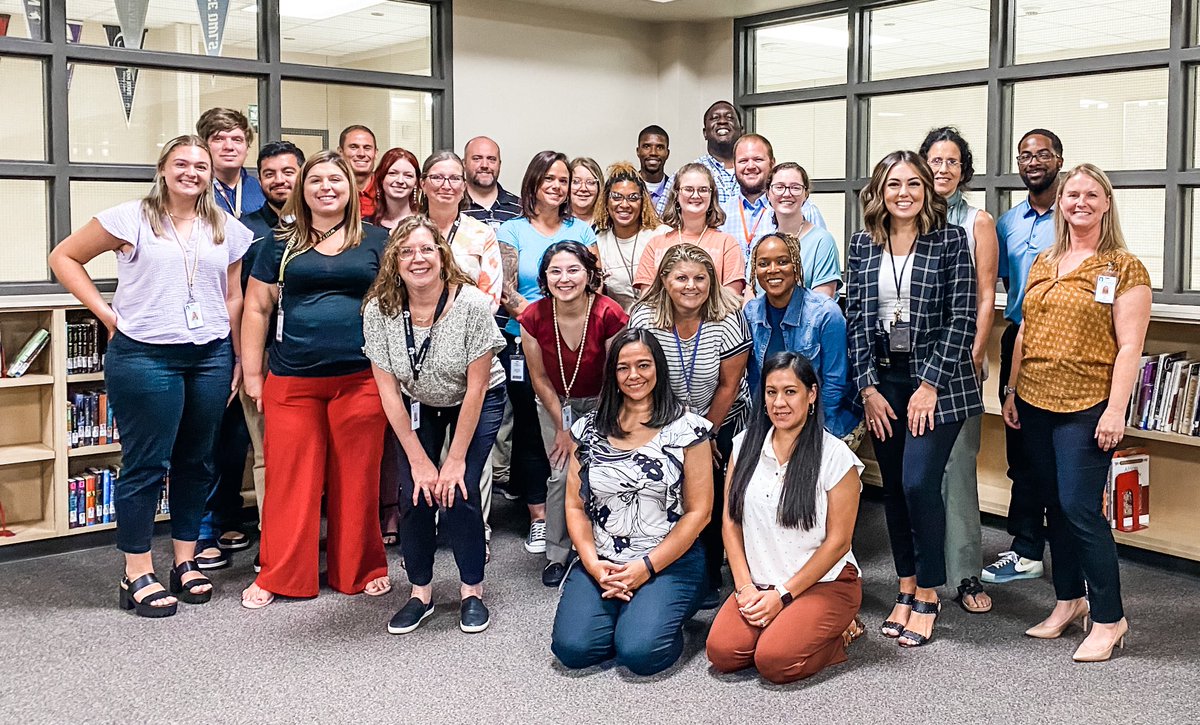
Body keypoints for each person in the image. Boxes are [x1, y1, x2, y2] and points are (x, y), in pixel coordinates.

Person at [48, 135, 252, 617]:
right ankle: (136, 570)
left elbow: (233, 297)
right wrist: (105, 312)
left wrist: (240, 357)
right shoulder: (129, 217)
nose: (192, 172)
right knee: (145, 464)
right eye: (181, 163)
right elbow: (64, 257)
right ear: (162, 169)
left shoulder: (227, 227)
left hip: (210, 357)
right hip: (145, 356)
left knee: (196, 462)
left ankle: (185, 560)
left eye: (201, 165)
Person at [1002, 164, 1150, 663]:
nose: (1079, 202)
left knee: (1081, 509)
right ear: (1060, 203)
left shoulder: (1124, 267)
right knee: (1052, 507)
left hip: (1087, 406)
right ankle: (1069, 600)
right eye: (1071, 194)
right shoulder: (1045, 259)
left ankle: (1109, 617)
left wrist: (1115, 410)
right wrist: (1012, 389)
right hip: (1035, 400)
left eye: (1090, 194)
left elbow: (1129, 347)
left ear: (1106, 202)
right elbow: (1024, 331)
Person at [240, 151, 391, 609]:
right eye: (316, 180)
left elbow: (395, 306)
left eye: (336, 180)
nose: (326, 187)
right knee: (290, 481)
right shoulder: (277, 242)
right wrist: (251, 374)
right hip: (292, 379)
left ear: (351, 187)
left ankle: (361, 567)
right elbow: (256, 308)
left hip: (361, 378)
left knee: (357, 478)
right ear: (302, 190)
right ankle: (280, 573)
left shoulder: (379, 241)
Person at [846, 150, 981, 647]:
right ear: (879, 191)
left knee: (919, 482)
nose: (904, 194)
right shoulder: (863, 245)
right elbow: (856, 322)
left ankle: (929, 589)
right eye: (894, 184)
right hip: (883, 383)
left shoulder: (950, 241)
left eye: (914, 185)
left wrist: (928, 385)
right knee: (895, 491)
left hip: (938, 385)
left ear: (927, 191)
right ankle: (905, 585)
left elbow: (961, 318)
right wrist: (867, 388)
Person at [362, 216, 508, 635]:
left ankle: (472, 591)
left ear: (442, 256)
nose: (417, 258)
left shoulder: (472, 305)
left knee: (458, 490)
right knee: (416, 492)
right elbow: (388, 393)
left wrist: (455, 459)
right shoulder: (380, 309)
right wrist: (419, 460)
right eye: (406, 251)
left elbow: (478, 387)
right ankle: (420, 593)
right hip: (417, 403)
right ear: (394, 261)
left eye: (426, 249)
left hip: (474, 401)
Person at [550, 329, 713, 676]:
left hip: (668, 559)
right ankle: (631, 613)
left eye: (643, 365)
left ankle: (659, 611)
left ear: (659, 368)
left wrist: (646, 568)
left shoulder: (686, 428)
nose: (634, 375)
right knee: (573, 650)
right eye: (623, 368)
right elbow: (575, 507)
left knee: (641, 654)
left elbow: (700, 513)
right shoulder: (589, 429)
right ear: (612, 373)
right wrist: (593, 565)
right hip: (604, 559)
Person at [706, 352, 864, 684]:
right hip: (761, 580)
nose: (779, 402)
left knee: (775, 661)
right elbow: (730, 523)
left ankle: (840, 633)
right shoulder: (743, 445)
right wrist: (745, 587)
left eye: (790, 391)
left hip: (825, 583)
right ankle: (789, 627)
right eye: (771, 391)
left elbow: (839, 543)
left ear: (811, 394)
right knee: (723, 653)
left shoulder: (836, 457)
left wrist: (783, 596)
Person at [198, 141, 305, 569]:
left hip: (313, 359)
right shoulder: (244, 230)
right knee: (266, 454)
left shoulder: (326, 226)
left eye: (288, 171)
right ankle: (273, 538)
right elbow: (237, 300)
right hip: (259, 358)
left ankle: (313, 535)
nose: (280, 180)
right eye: (270, 174)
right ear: (258, 180)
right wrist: (246, 362)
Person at [628, 244, 751, 608]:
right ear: (664, 280)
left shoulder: (728, 315)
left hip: (720, 417)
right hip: (663, 418)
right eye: (681, 278)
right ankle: (660, 569)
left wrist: (705, 435)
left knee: (708, 492)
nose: (691, 286)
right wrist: (677, 433)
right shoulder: (644, 318)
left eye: (700, 278)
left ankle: (710, 574)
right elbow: (639, 378)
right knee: (662, 493)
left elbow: (729, 384)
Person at [498, 151, 600, 554]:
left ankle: (580, 512)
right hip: (525, 338)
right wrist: (543, 321)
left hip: (576, 340)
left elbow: (595, 280)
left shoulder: (583, 230)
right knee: (529, 426)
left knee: (577, 426)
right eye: (549, 180)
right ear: (534, 185)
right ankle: (539, 517)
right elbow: (506, 290)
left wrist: (564, 322)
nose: (558, 187)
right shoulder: (512, 230)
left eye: (564, 180)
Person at [918, 126, 1000, 615]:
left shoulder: (978, 222)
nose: (942, 169)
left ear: (963, 170)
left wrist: (972, 352)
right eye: (935, 160)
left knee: (959, 467)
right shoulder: (910, 216)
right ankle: (924, 574)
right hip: (914, 363)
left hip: (960, 359)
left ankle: (966, 573)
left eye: (952, 161)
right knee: (920, 473)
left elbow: (986, 294)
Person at [519, 242, 628, 587]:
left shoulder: (610, 313)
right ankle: (556, 553)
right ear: (544, 277)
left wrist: (595, 422)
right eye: (555, 271)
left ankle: (604, 548)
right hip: (555, 405)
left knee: (603, 473)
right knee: (561, 475)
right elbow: (538, 378)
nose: (564, 279)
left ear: (589, 274)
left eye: (573, 270)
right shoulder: (533, 317)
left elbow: (617, 376)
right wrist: (563, 429)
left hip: (604, 402)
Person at [985, 128, 1065, 585]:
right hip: (1018, 338)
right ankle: (1027, 548)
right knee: (1021, 450)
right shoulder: (1007, 223)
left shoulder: (1072, 214)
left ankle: (1071, 554)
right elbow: (989, 285)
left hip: (1063, 340)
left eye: (1042, 155)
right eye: (1025, 156)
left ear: (1058, 159)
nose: (1033, 162)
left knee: (1063, 453)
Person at [743, 232, 857, 439]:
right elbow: (754, 380)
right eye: (763, 263)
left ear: (796, 264)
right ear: (754, 270)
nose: (773, 270)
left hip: (821, 420)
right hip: (772, 419)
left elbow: (835, 382)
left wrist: (816, 433)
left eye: (782, 261)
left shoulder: (825, 314)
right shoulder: (750, 313)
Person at [633, 163, 746, 296]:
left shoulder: (727, 244)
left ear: (712, 195)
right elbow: (647, 297)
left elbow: (732, 297)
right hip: (663, 316)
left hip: (714, 316)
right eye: (688, 189)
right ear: (676, 194)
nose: (696, 195)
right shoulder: (655, 244)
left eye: (703, 189)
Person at [719, 135, 828, 269]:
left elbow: (820, 264)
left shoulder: (803, 209)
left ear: (772, 163)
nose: (750, 166)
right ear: (734, 165)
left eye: (758, 159)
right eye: (743, 161)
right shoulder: (721, 214)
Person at [591, 161, 670, 310]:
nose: (625, 204)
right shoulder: (598, 242)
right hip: (621, 328)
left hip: (661, 325)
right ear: (606, 201)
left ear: (643, 202)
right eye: (617, 197)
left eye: (633, 198)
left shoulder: (662, 235)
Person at [766, 162, 842, 299]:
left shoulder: (822, 242)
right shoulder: (763, 243)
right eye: (779, 187)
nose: (787, 193)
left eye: (795, 188)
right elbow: (751, 300)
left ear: (806, 194)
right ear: (768, 194)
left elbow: (822, 304)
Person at [196, 107, 265, 220]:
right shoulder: (193, 190)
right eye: (218, 139)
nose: (229, 146)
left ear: (247, 147)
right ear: (204, 146)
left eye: (237, 139)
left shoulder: (262, 190)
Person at [463, 136, 522, 230]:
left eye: (492, 159)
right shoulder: (453, 205)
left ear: (499, 164)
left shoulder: (519, 208)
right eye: (477, 158)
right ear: (464, 164)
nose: (485, 165)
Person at [695, 100, 743, 204]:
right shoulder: (687, 175)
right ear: (705, 133)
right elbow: (663, 219)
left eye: (729, 117)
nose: (722, 121)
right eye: (715, 118)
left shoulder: (757, 172)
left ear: (742, 131)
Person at [370, 146, 420, 231]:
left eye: (408, 175)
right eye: (393, 173)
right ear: (381, 179)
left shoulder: (425, 226)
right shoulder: (366, 227)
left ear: (416, 182)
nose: (400, 181)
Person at [338, 125, 379, 219]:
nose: (361, 154)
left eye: (367, 148)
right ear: (340, 152)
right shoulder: (331, 191)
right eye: (353, 147)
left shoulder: (387, 191)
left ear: (375, 153)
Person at [636, 125, 673, 216]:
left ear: (667, 153)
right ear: (638, 151)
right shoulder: (624, 188)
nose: (653, 152)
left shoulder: (675, 191)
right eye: (647, 146)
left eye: (659, 147)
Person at [569, 157, 603, 226]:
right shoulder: (556, 220)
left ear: (599, 187)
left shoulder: (609, 223)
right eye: (576, 182)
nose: (583, 188)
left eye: (590, 182)